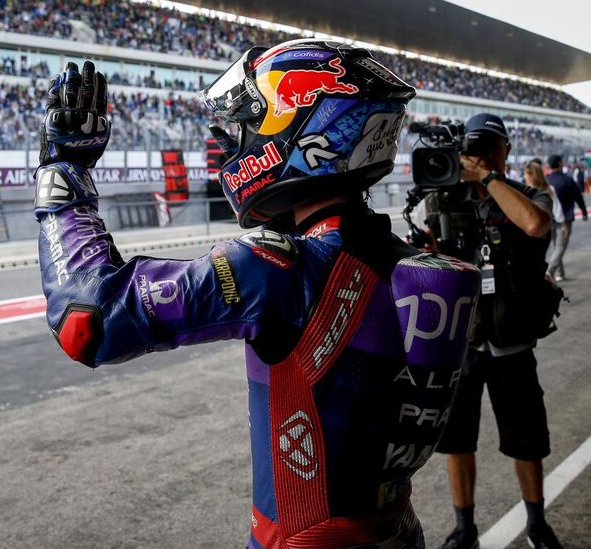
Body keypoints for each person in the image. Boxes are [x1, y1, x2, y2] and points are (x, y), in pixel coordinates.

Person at [34, 40, 480, 548]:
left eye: (245, 127)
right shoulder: (433, 269)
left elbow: (88, 321)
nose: (232, 146)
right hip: (398, 533)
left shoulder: (279, 267)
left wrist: (64, 171)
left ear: (301, 130)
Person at [432, 114, 561, 549]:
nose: (483, 154)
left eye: (491, 146)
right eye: (474, 147)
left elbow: (535, 224)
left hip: (513, 341)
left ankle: (537, 525)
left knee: (527, 440)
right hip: (462, 341)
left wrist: (486, 178)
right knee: (457, 439)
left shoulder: (529, 195)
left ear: (507, 150)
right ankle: (464, 528)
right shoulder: (450, 200)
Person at [545, 153, 587, 282]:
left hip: (548, 218)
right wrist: (584, 212)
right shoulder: (567, 180)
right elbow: (578, 197)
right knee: (560, 247)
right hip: (564, 219)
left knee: (555, 246)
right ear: (559, 163)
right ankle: (550, 271)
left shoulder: (545, 180)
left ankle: (559, 273)